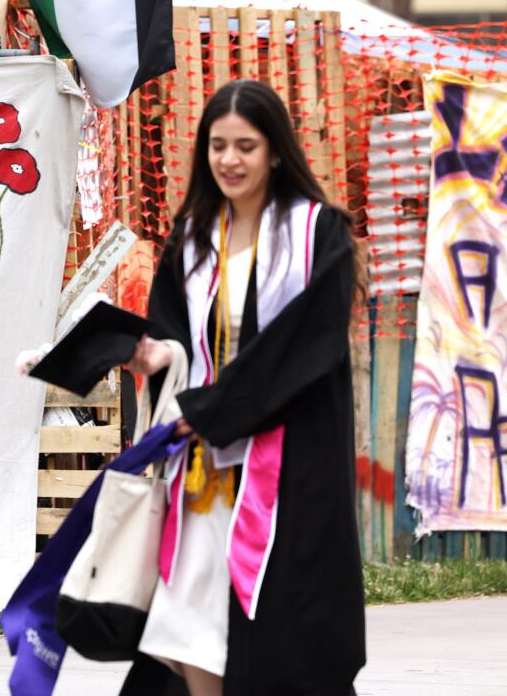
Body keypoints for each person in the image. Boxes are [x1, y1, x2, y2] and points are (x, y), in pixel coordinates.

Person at [120, 79, 365, 696]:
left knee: (284, 637)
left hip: (287, 472)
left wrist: (209, 410)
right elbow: (174, 335)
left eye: (246, 146)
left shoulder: (318, 235)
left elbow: (306, 347)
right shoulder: (193, 238)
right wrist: (155, 356)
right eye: (218, 145)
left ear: (276, 151)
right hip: (205, 471)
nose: (230, 160)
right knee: (189, 623)